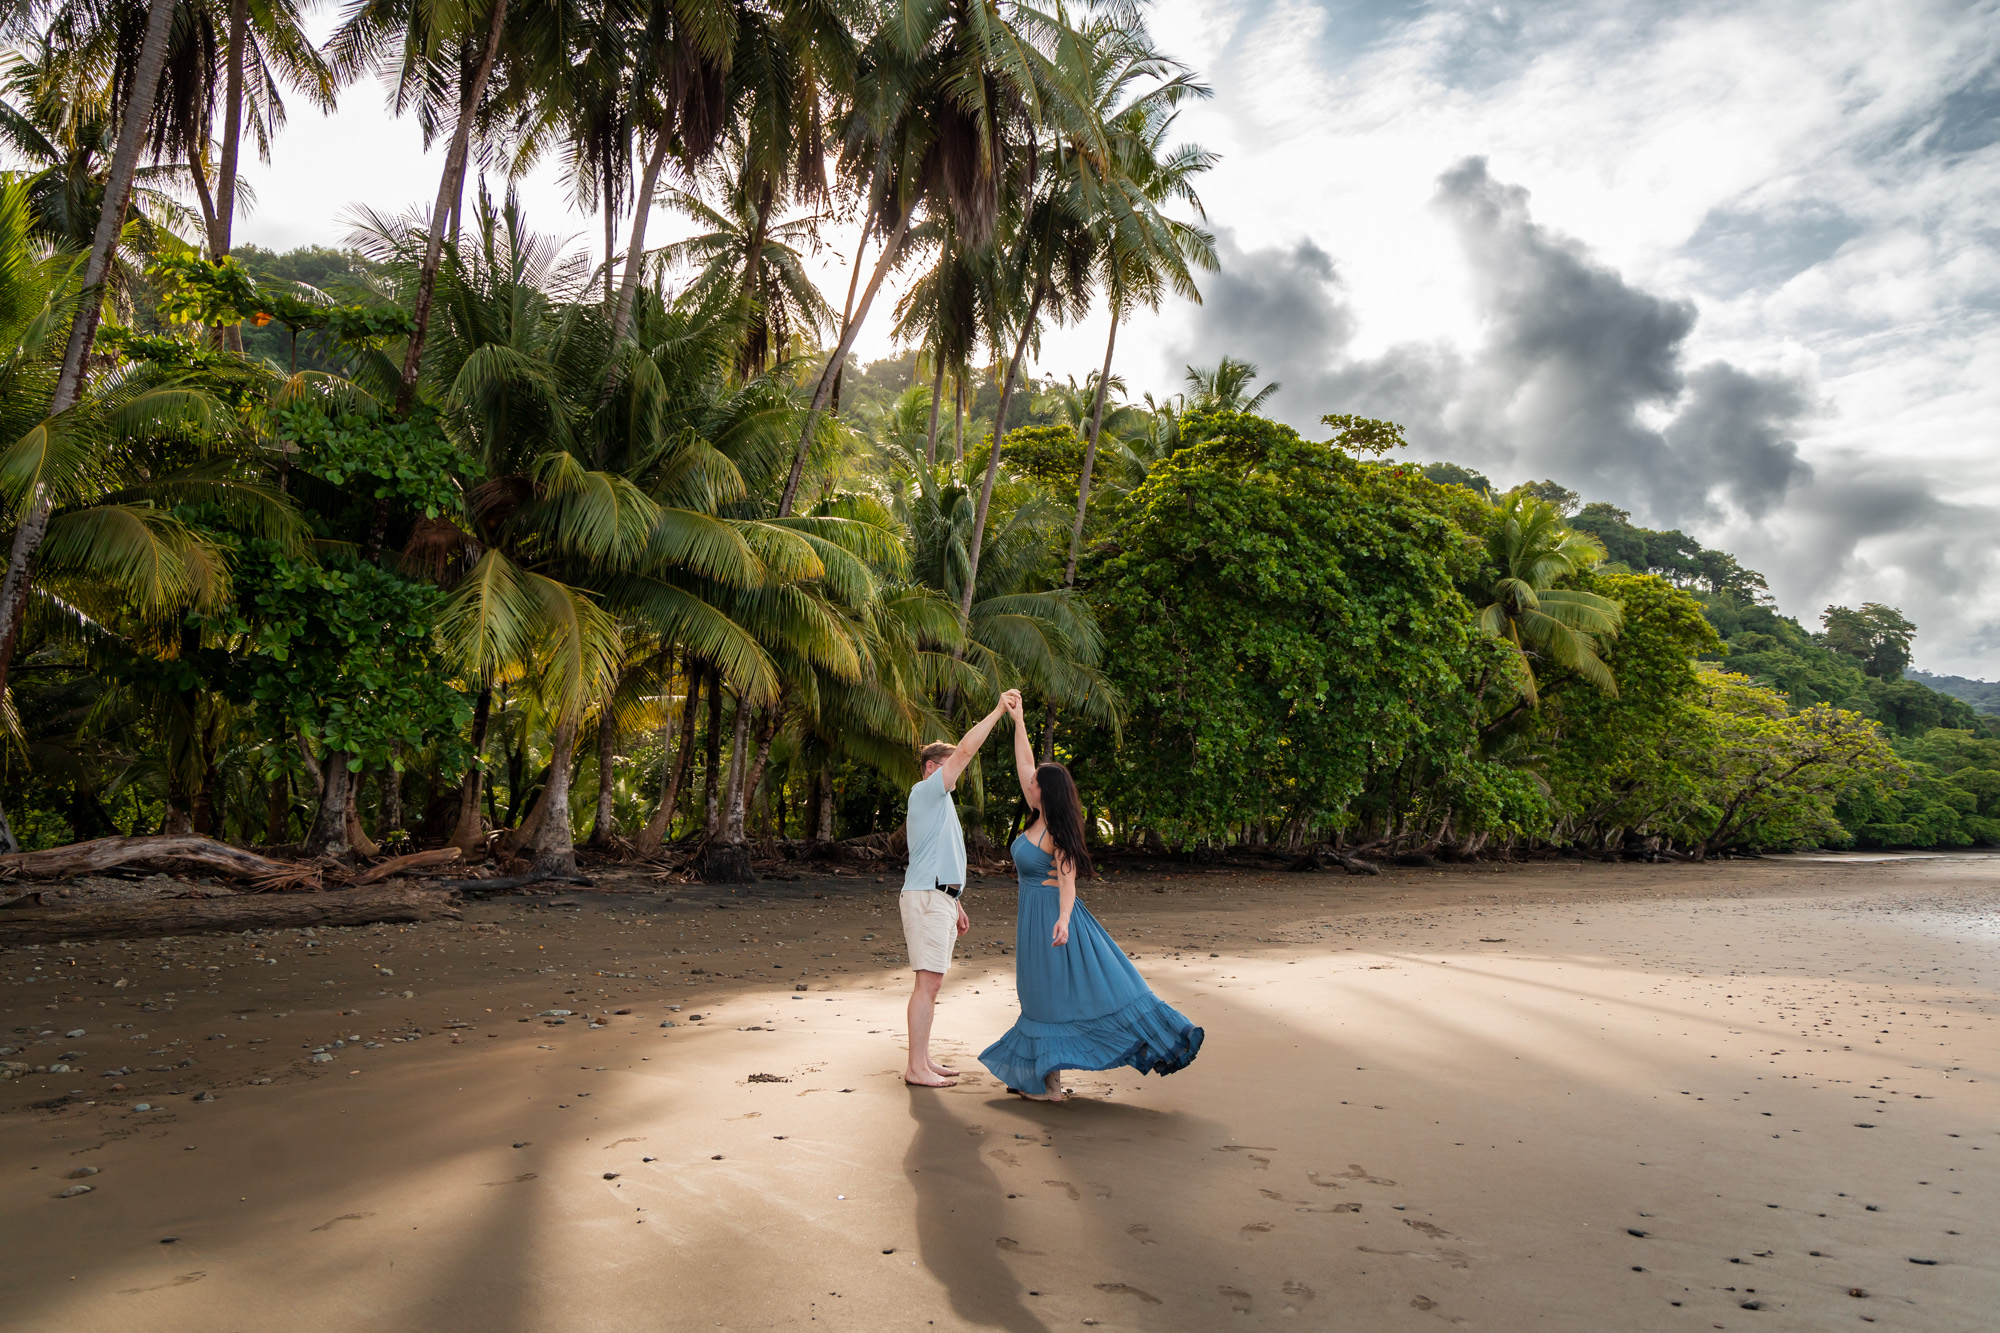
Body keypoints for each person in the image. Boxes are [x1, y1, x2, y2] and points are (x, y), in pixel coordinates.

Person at [979, 695, 1203, 1102]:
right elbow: (1026, 764)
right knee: (1034, 995)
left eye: (1033, 784)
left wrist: (1064, 919)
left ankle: (1051, 1087)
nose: (1027, 783)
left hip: (1052, 921)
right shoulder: (1036, 817)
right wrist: (1019, 721)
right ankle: (1041, 1074)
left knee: (1049, 999)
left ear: (1046, 793)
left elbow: (1068, 883)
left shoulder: (1058, 834)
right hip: (1031, 920)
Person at [900, 688, 1022, 1088]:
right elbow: (967, 751)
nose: (957, 769)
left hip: (938, 896)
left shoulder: (939, 802)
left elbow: (941, 855)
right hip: (926, 897)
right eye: (949, 764)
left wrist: (956, 902)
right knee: (928, 983)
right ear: (933, 767)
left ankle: (923, 1060)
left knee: (930, 983)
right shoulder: (927, 791)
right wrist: (997, 711)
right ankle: (915, 1068)